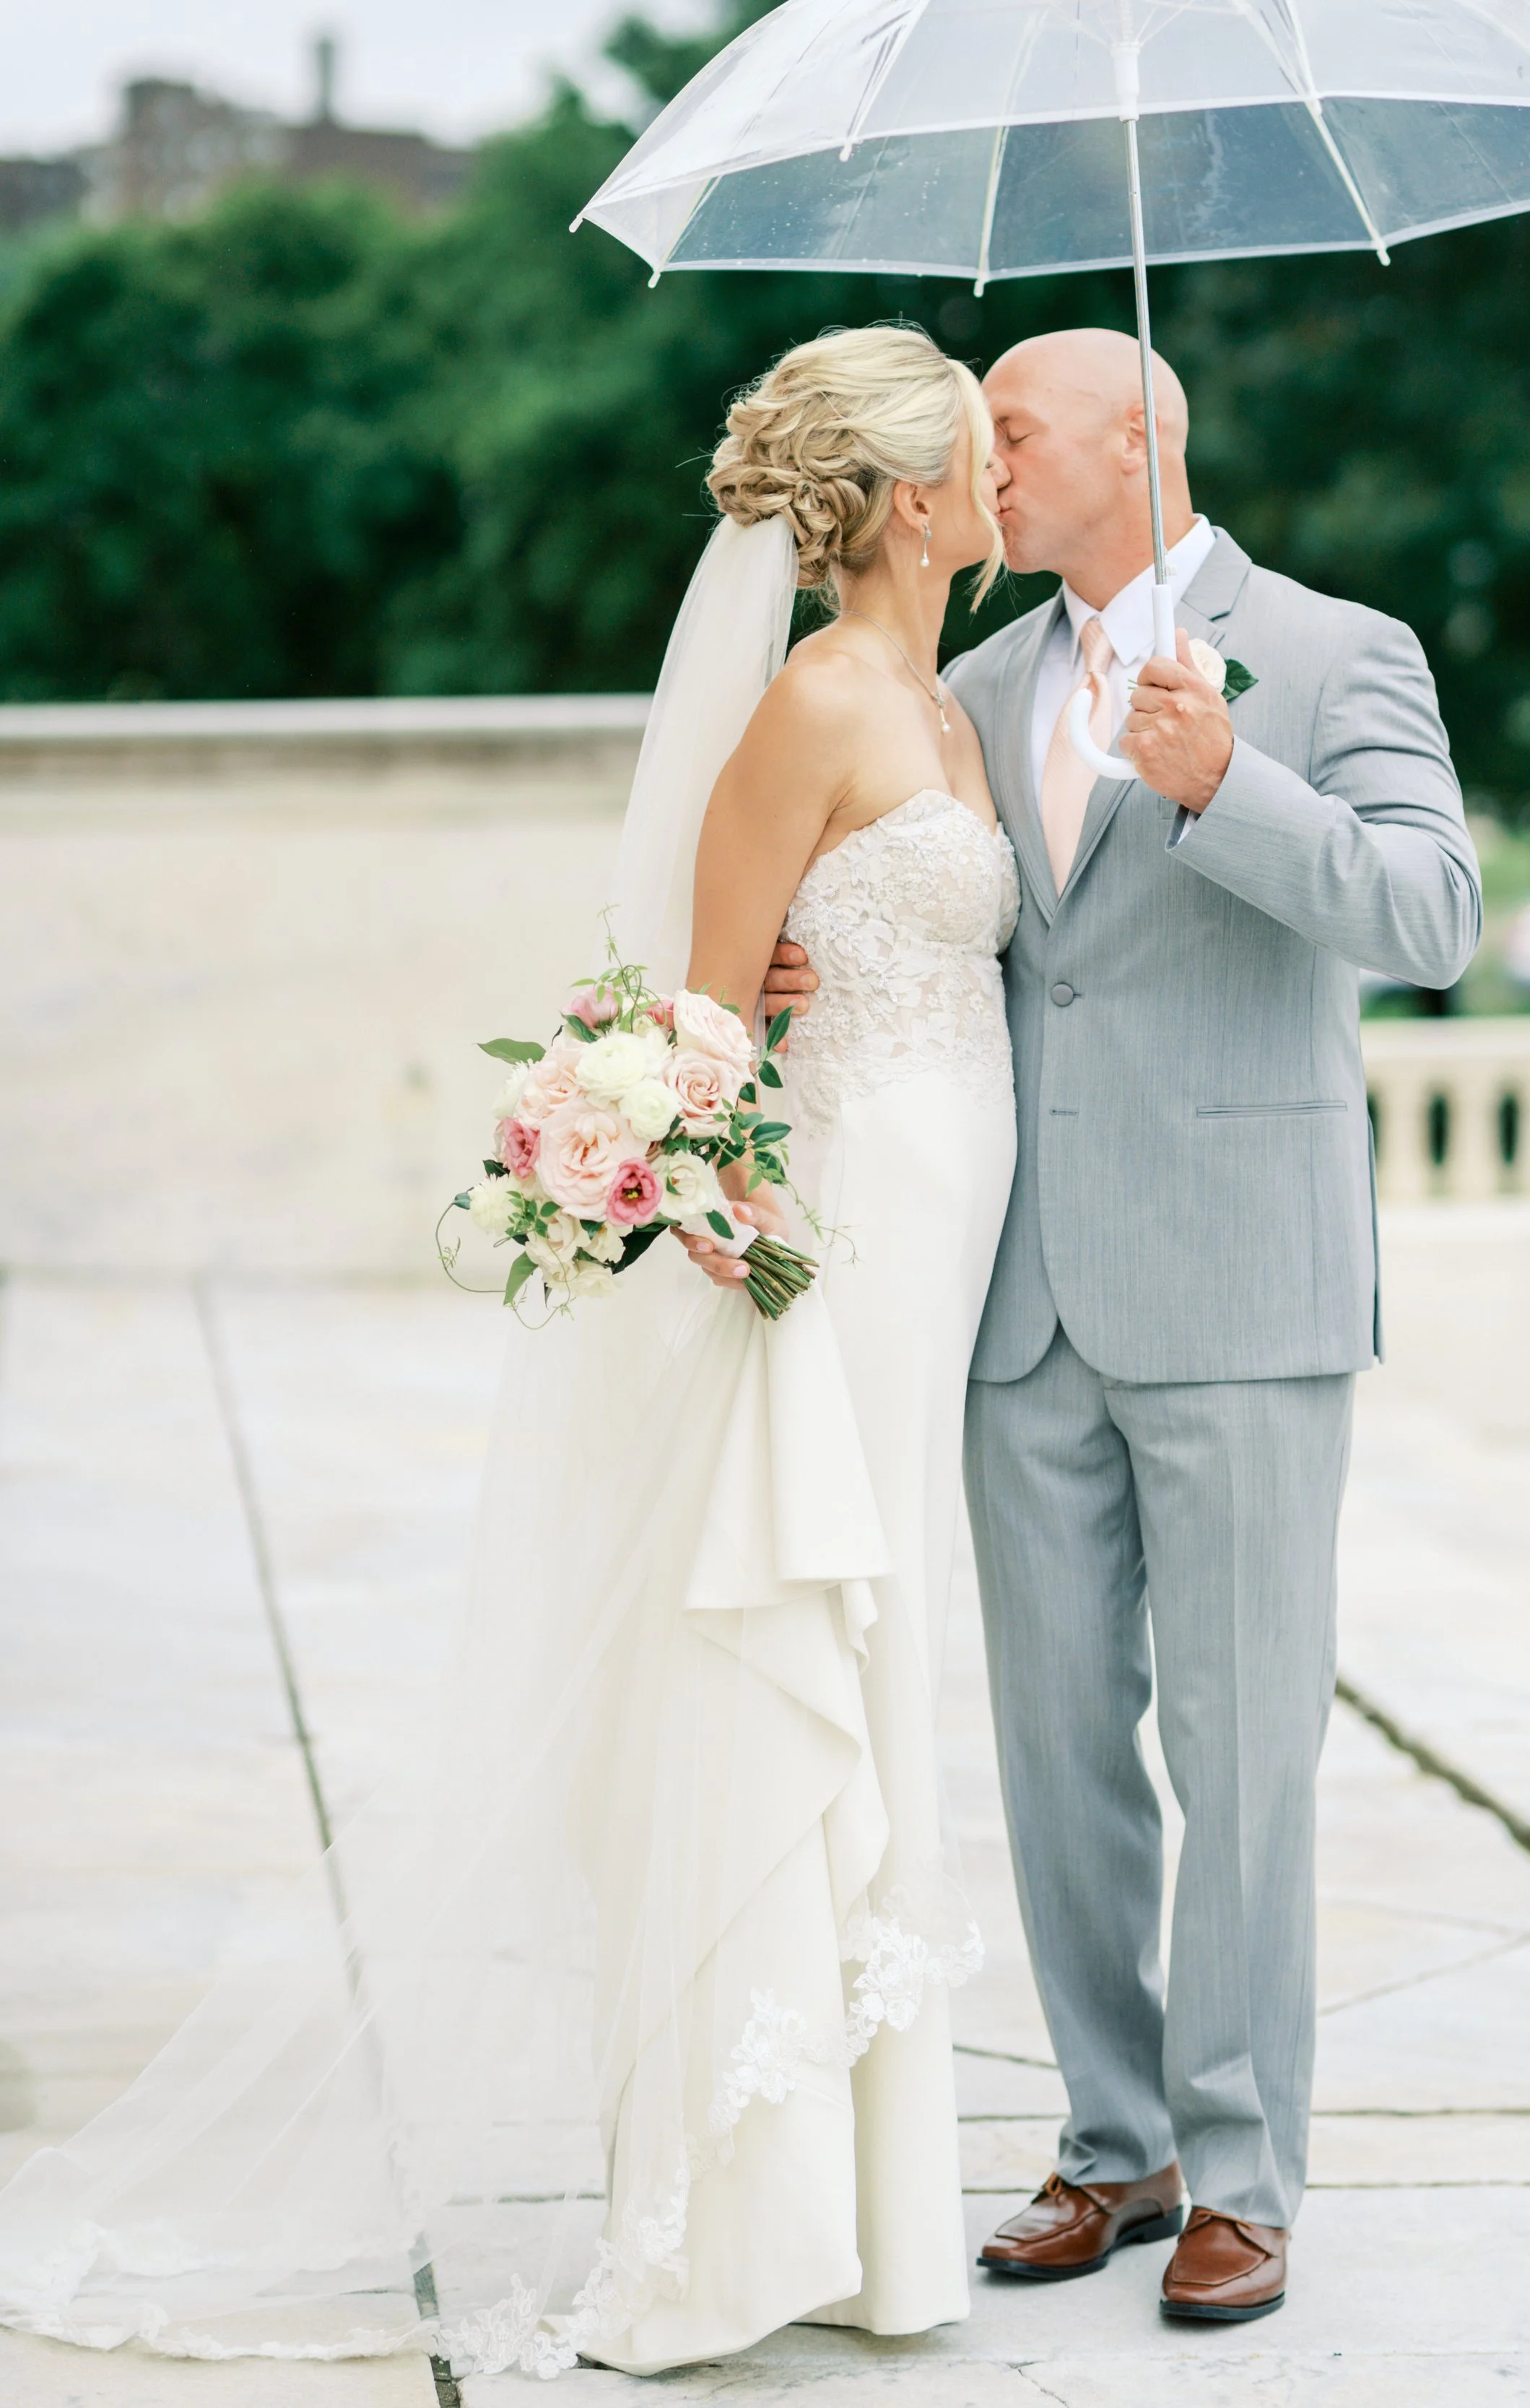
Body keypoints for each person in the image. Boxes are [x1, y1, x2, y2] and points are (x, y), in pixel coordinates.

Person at [0, 326, 1019, 2378]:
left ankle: (873, 2215)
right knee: (813, 1651)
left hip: (946, 1235)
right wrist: (737, 1209)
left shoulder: (946, 702)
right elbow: (703, 1020)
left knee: (900, 1659)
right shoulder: (818, 701)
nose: (1008, 479)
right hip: (839, 1244)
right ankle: (729, 2222)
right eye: (987, 452)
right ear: (915, 500)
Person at [765, 326, 1482, 2325]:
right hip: (1017, 1300)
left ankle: (1244, 2169)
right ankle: (1113, 2141)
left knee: (1243, 1753)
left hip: (1243, 1289)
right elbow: (943, 937)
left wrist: (1230, 785)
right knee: (1054, 1745)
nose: (977, 459)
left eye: (1009, 428)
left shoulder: (1333, 655)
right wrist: (802, 969)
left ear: (1137, 439)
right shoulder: (974, 686)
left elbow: (1432, 919)